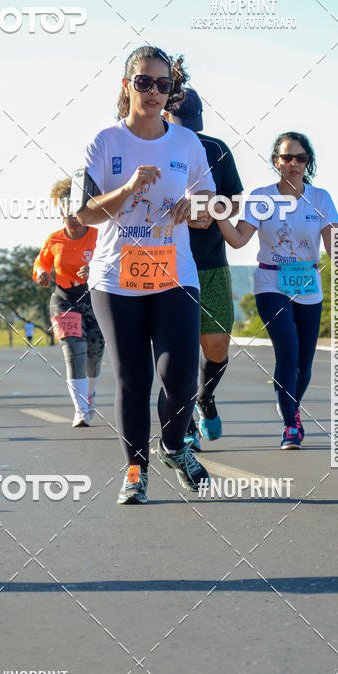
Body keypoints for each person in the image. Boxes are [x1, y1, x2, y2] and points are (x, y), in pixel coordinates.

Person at [76, 45, 215, 503]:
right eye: (144, 82)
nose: (153, 91)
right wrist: (130, 187)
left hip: (174, 274)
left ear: (170, 90)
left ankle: (173, 446)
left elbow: (208, 205)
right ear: (127, 85)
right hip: (117, 278)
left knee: (181, 377)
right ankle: (135, 470)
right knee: (133, 380)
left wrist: (194, 207)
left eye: (163, 84)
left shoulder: (187, 143)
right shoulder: (105, 142)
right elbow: (86, 213)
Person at [215, 132, 338, 449]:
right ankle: (290, 425)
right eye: (287, 157)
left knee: (304, 365)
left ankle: (290, 405)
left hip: (308, 284)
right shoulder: (262, 198)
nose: (294, 164)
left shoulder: (321, 198)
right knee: (288, 350)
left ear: (308, 162)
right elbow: (238, 240)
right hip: (271, 283)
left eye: (300, 158)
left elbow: (334, 246)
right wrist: (218, 216)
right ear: (276, 162)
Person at [164, 86, 243, 448]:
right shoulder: (153, 148)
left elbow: (235, 200)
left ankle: (205, 397)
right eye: (184, 124)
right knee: (178, 352)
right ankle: (185, 428)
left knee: (217, 345)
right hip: (168, 264)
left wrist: (214, 210)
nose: (190, 132)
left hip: (211, 262)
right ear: (166, 117)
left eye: (195, 124)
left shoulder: (216, 148)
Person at [33, 178, 104, 427]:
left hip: (95, 299)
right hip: (64, 301)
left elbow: (114, 262)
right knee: (74, 350)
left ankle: (90, 394)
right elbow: (41, 263)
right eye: (66, 212)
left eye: (76, 211)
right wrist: (42, 273)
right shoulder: (54, 239)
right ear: (60, 213)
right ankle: (80, 410)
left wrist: (94, 269)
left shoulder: (99, 236)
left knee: (94, 354)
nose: (72, 218)